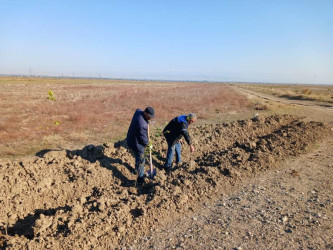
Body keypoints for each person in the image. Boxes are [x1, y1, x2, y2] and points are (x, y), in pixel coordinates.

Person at [126, 107, 155, 184]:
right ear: (145, 113)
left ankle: (136, 170)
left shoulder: (139, 112)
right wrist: (149, 144)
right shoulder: (142, 125)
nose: (150, 118)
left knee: (137, 157)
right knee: (142, 160)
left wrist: (147, 120)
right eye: (149, 116)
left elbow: (138, 109)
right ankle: (140, 178)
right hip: (137, 144)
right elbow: (143, 139)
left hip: (131, 138)